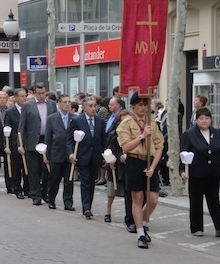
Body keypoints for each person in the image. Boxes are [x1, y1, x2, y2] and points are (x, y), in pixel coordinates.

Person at [117, 92, 164, 249]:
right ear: (133, 106)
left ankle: (141, 223)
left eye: (145, 105)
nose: (144, 108)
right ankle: (140, 233)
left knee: (153, 199)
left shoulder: (153, 123)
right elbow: (125, 147)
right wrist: (142, 136)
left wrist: (153, 166)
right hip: (134, 161)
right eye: (140, 105)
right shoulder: (126, 124)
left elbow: (159, 146)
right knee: (137, 198)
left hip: (149, 161)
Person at [181, 108, 220, 237]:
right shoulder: (189, 134)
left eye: (207, 118)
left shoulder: (216, 133)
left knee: (214, 201)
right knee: (196, 201)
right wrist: (182, 170)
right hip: (196, 172)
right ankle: (197, 227)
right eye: (201, 118)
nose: (204, 121)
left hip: (213, 173)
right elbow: (183, 153)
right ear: (196, 120)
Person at [67, 96, 107, 219]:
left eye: (94, 106)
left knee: (92, 182)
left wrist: (105, 155)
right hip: (82, 156)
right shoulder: (77, 120)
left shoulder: (100, 121)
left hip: (95, 156)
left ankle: (89, 203)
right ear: (84, 108)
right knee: (85, 182)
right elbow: (69, 139)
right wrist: (71, 153)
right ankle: (86, 207)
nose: (93, 108)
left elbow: (103, 140)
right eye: (90, 106)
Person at [18, 82, 57, 205]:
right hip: (33, 141)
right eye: (39, 93)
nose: (41, 96)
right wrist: (20, 144)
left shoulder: (51, 104)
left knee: (47, 169)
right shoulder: (27, 106)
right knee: (34, 170)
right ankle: (36, 195)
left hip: (47, 140)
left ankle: (45, 192)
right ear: (34, 93)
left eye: (43, 93)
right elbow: (22, 126)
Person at [45, 94, 75, 211]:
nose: (67, 104)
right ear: (59, 104)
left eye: (69, 102)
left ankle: (68, 202)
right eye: (64, 102)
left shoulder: (74, 118)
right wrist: (47, 155)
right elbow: (48, 137)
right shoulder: (52, 119)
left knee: (69, 180)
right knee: (54, 179)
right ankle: (51, 199)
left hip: (69, 154)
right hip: (56, 153)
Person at [4, 88, 28, 199]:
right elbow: (7, 129)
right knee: (16, 167)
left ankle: (28, 189)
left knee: (27, 166)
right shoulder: (10, 112)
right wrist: (6, 145)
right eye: (22, 96)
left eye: (25, 96)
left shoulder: (29, 109)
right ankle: (17, 189)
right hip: (14, 143)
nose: (24, 98)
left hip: (27, 142)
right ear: (16, 98)